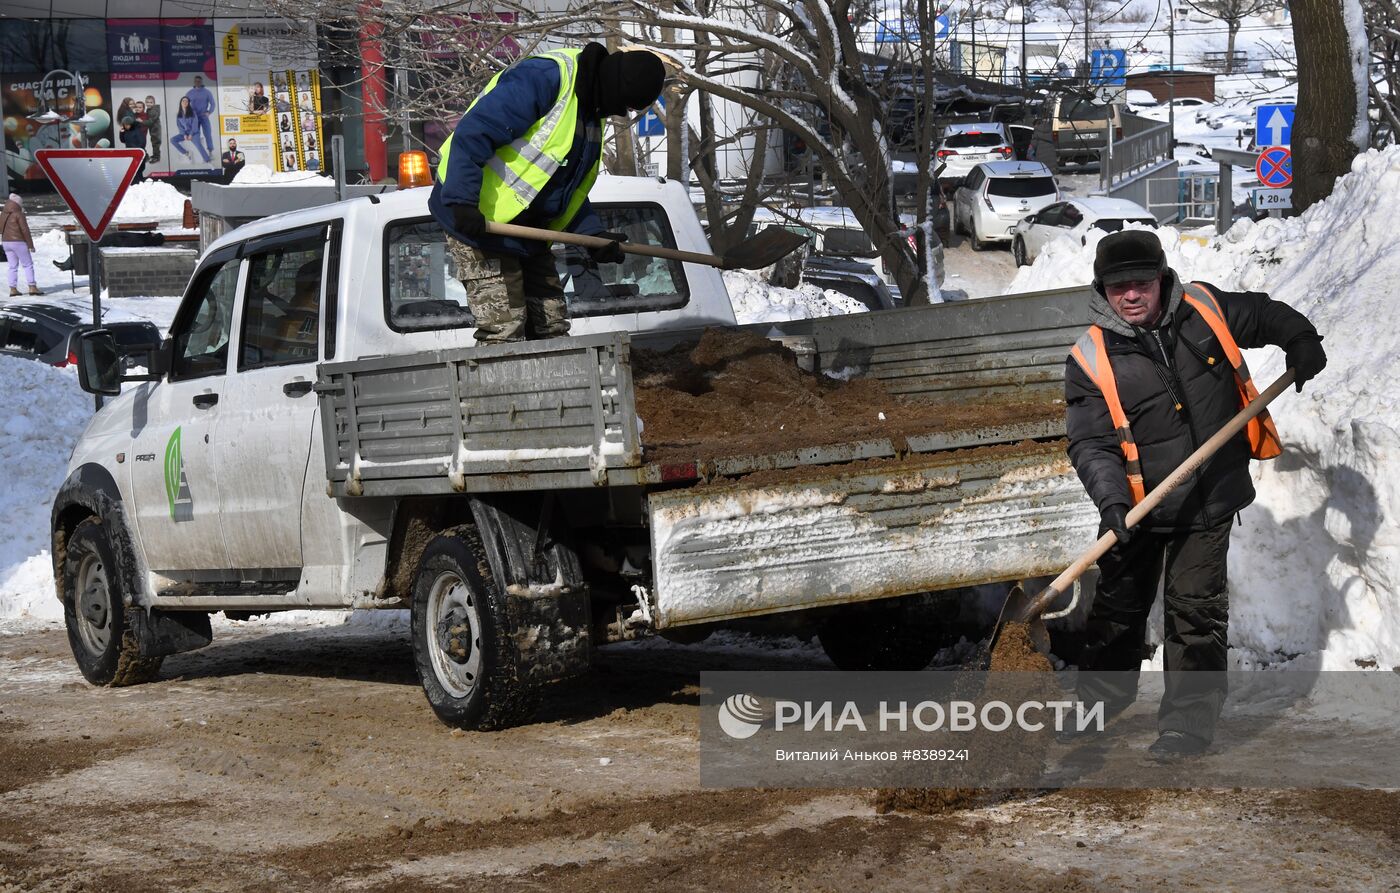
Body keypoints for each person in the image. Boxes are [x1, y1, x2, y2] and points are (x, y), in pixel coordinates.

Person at [1062, 230, 1327, 761]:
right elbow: (1091, 442)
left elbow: (1263, 313)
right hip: (1135, 506)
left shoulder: (1204, 308)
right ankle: (1095, 707)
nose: (1131, 295)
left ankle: (1187, 724)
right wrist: (1112, 504)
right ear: (1102, 289)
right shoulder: (1090, 357)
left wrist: (1300, 337)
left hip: (1209, 498)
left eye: (1140, 283)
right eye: (1118, 288)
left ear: (1161, 279)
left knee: (1196, 612)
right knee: (1116, 611)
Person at [430, 42, 665, 343]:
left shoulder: (591, 111)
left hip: (527, 231)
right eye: (625, 106)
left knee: (551, 327)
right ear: (615, 88)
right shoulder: (545, 78)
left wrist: (593, 236)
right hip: (476, 219)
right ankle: (507, 390)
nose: (620, 113)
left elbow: (564, 189)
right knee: (505, 329)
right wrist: (462, 201)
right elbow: (474, 134)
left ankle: (557, 391)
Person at [1, 193, 39, 297]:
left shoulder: (4, 213)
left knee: (12, 266)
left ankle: (13, 289)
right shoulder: (19, 214)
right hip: (18, 242)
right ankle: (32, 287)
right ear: (17, 204)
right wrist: (30, 245)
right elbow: (25, 230)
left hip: (6, 242)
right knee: (27, 264)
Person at [185, 76, 216, 162]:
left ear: (202, 82)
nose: (198, 82)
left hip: (204, 117)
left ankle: (210, 152)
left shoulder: (207, 92)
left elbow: (213, 104)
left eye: (199, 81)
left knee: (208, 134)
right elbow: (185, 104)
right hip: (194, 118)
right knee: (195, 136)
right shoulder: (189, 93)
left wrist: (209, 112)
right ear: (194, 82)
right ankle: (201, 154)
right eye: (196, 81)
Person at [171, 98, 201, 163]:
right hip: (184, 133)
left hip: (192, 133)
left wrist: (191, 134)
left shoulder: (192, 112)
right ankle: (186, 153)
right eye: (183, 101)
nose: (185, 102)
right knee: (172, 140)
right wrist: (184, 134)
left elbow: (195, 124)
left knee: (198, 144)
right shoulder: (178, 114)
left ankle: (203, 159)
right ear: (181, 102)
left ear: (188, 103)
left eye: (186, 101)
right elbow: (179, 126)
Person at [118, 117, 148, 181]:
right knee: (133, 172)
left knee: (138, 172)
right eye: (125, 125)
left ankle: (139, 184)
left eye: (127, 125)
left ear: (131, 124)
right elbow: (123, 140)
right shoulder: (126, 131)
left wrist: (135, 150)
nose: (126, 126)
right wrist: (121, 133)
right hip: (131, 154)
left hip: (137, 155)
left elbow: (142, 142)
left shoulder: (137, 130)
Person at [143, 95, 162, 163]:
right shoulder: (149, 109)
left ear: (154, 103)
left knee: (156, 143)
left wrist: (142, 121)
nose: (149, 104)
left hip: (156, 130)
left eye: (151, 102)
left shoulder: (154, 111)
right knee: (154, 143)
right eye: (147, 102)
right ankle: (155, 155)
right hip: (153, 129)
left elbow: (150, 121)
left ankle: (157, 157)